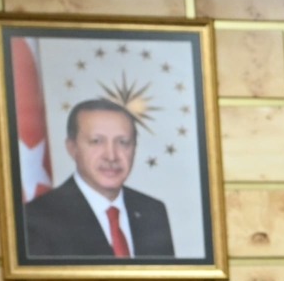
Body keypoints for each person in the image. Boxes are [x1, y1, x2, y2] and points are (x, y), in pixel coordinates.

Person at [19, 100, 176, 261]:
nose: (111, 156)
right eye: (96, 141)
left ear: (134, 148)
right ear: (72, 148)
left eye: (123, 142)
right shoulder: (36, 219)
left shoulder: (153, 211)